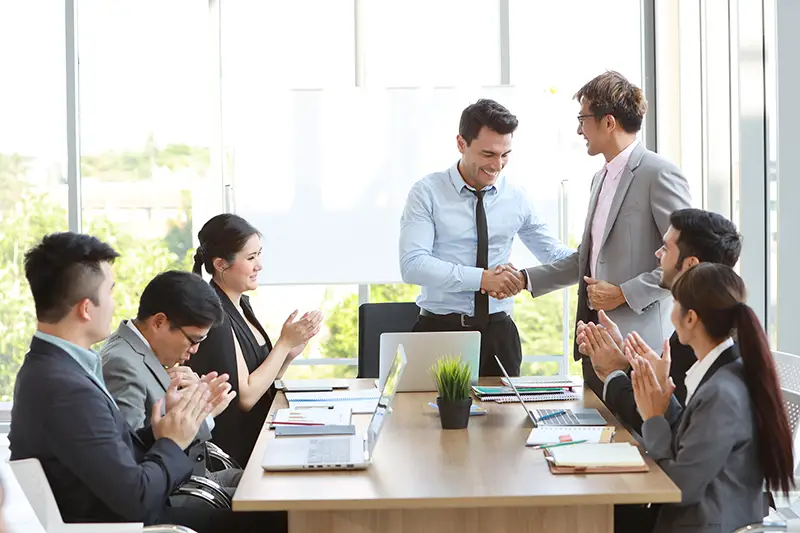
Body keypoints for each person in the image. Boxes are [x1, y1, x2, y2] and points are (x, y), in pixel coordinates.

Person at [8, 232, 285, 533]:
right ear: (86, 309)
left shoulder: (55, 370)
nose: (114, 306)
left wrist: (165, 425)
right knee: (279, 514)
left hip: (139, 512)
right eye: (110, 293)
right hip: (138, 523)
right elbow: (135, 498)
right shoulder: (65, 388)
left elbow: (112, 457)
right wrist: (172, 440)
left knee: (274, 504)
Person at [519, 71, 692, 396]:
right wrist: (525, 279)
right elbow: (587, 259)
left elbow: (685, 261)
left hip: (641, 350)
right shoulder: (600, 179)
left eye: (582, 118)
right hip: (596, 345)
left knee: (641, 444)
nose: (578, 129)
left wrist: (624, 293)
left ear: (608, 122)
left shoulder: (659, 173)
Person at [399, 98, 574, 376]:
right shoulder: (427, 192)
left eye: (505, 154)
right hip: (439, 331)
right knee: (428, 417)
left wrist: (597, 259)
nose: (498, 164)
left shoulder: (516, 197)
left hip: (499, 335)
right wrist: (482, 278)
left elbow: (553, 253)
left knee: (504, 419)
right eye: (488, 154)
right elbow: (413, 265)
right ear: (461, 143)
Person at [630, 263, 793, 532]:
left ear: (691, 318)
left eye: (675, 304)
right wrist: (662, 400)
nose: (672, 316)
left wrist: (653, 419)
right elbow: (699, 439)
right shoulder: (727, 372)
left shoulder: (722, 392)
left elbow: (680, 489)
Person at [578, 208, 742, 434]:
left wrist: (614, 371)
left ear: (691, 264)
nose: (657, 253)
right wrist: (625, 365)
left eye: (665, 248)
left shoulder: (703, 334)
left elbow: (658, 424)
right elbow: (661, 409)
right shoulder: (710, 321)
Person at [188, 214, 323, 467]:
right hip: (240, 453)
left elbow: (261, 379)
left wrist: (288, 354)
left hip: (263, 436)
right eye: (250, 258)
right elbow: (247, 396)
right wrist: (282, 344)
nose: (259, 265)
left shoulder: (241, 305)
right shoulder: (216, 318)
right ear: (220, 264)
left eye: (259, 254)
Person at [101, 270, 241, 496]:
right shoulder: (121, 364)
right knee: (271, 506)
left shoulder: (137, 352)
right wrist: (201, 416)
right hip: (175, 490)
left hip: (192, 476)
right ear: (159, 322)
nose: (195, 350)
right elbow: (130, 456)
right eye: (193, 340)